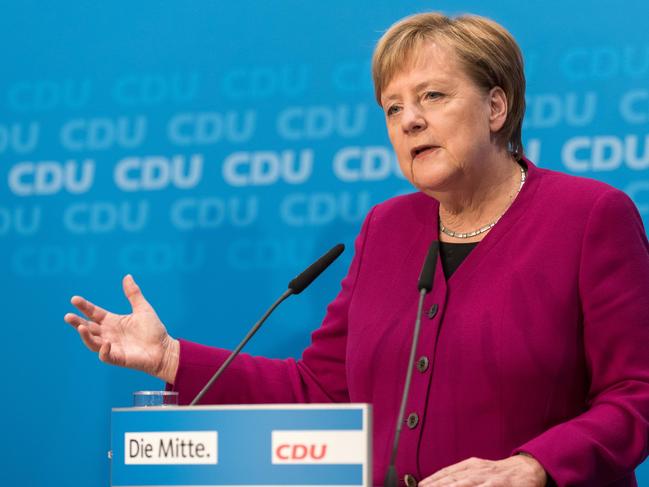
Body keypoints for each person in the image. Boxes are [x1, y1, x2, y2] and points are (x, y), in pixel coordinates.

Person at [65, 12, 649, 487]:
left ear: (496, 107)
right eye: (393, 108)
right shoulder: (386, 228)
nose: (410, 120)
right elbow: (319, 391)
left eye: (433, 96)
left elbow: (635, 393)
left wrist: (534, 466)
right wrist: (169, 357)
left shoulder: (588, 216)